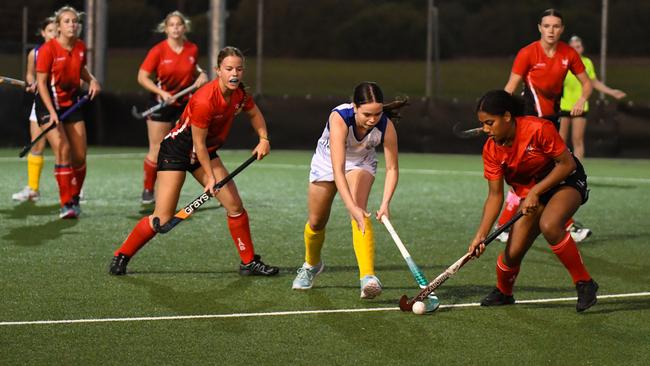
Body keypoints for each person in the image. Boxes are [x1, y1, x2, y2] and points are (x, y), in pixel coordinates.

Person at [109, 46, 278, 277]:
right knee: (162, 219)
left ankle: (248, 262)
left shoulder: (240, 94)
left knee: (235, 207)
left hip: (206, 152)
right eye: (228, 69)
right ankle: (122, 255)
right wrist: (210, 178)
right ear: (218, 70)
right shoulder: (204, 100)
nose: (234, 74)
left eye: (238, 69)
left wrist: (263, 138)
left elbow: (254, 114)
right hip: (177, 152)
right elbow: (197, 145)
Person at [468, 90, 598, 313]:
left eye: (490, 123)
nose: (486, 130)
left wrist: (535, 191)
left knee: (550, 224)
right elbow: (495, 196)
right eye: (483, 124)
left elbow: (566, 164)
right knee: (512, 252)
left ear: (507, 117)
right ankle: (504, 293)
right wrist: (481, 234)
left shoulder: (538, 129)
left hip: (566, 181)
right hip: (532, 193)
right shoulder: (491, 150)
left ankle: (585, 284)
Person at [291, 82, 406, 299]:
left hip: (361, 163)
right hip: (328, 162)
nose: (373, 120)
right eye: (367, 114)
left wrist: (385, 203)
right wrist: (349, 206)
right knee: (316, 222)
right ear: (354, 107)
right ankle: (311, 265)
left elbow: (392, 168)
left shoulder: (386, 126)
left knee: (360, 212)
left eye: (377, 113)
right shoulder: (340, 118)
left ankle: (368, 278)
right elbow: (337, 169)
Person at [498, 8, 593, 243]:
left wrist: (582, 99)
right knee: (544, 172)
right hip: (529, 120)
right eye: (547, 26)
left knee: (541, 175)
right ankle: (565, 224)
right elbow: (511, 86)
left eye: (556, 26)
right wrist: (499, 112)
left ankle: (504, 225)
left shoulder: (568, 53)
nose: (551, 30)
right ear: (540, 28)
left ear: (562, 29)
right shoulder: (528, 53)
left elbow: (587, 84)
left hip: (551, 121)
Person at [35, 6, 101, 218]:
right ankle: (66, 205)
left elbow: (81, 68)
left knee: (80, 156)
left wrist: (92, 80)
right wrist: (51, 112)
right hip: (48, 103)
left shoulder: (80, 47)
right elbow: (42, 84)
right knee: (63, 149)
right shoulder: (48, 50)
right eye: (67, 21)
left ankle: (74, 197)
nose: (72, 24)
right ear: (58, 26)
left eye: (74, 21)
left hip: (71, 104)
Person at [137, 11, 208, 204]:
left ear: (184, 28)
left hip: (184, 104)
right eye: (172, 25)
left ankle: (210, 186)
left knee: (186, 147)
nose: (176, 28)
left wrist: (201, 74)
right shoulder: (158, 50)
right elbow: (142, 77)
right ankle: (148, 189)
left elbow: (194, 68)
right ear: (166, 28)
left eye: (179, 24)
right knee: (157, 147)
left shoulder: (192, 49)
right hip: (161, 103)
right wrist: (161, 93)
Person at [559, 35, 627, 160]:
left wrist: (612, 92)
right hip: (563, 105)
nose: (575, 49)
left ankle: (577, 173)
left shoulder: (587, 63)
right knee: (560, 140)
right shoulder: (562, 61)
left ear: (582, 48)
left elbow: (593, 82)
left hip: (580, 106)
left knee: (577, 140)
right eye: (572, 47)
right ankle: (559, 171)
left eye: (578, 46)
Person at [12, 16, 57, 202]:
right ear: (43, 33)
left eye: (57, 31)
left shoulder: (65, 51)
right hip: (39, 103)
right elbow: (30, 75)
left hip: (60, 103)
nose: (54, 34)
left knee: (62, 148)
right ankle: (33, 189)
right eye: (51, 31)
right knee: (36, 145)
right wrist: (32, 83)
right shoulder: (35, 53)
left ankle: (75, 190)